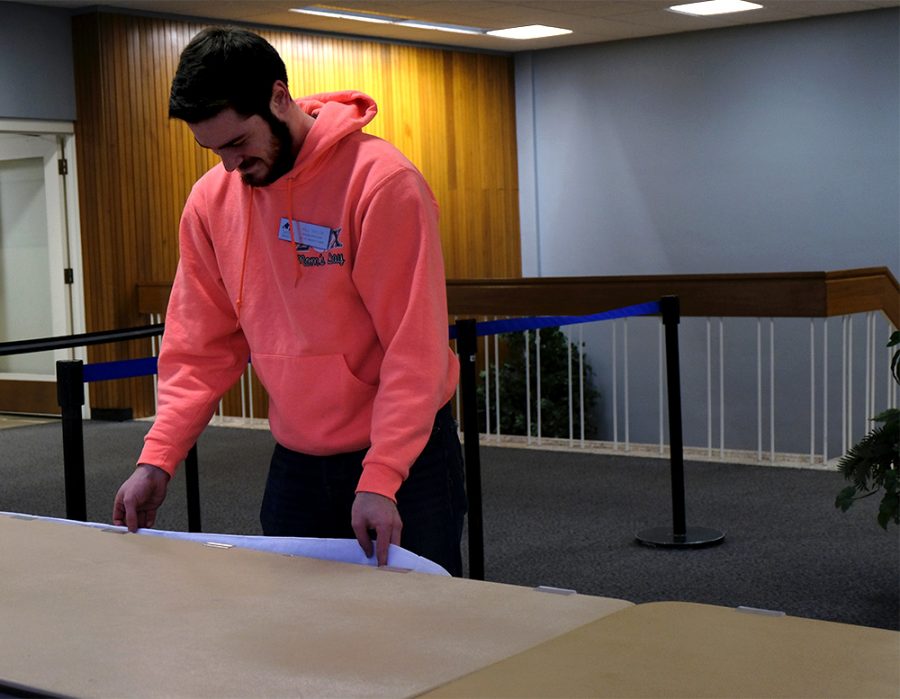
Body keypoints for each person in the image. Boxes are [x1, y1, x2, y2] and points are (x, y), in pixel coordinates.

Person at [112, 27, 466, 576]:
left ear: (279, 98)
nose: (229, 165)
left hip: (404, 461)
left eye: (237, 143)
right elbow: (198, 349)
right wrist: (157, 458)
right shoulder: (211, 202)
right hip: (297, 461)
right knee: (293, 637)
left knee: (417, 637)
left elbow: (413, 350)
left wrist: (382, 475)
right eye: (213, 150)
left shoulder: (382, 183)